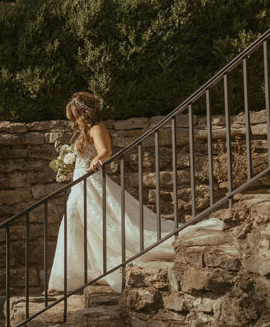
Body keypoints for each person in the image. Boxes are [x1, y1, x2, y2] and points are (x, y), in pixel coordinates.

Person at [47, 91, 224, 295]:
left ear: (84, 112)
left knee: (88, 223)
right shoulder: (84, 130)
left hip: (89, 182)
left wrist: (97, 160)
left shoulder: (97, 128)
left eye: (76, 114)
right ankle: (65, 278)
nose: (75, 119)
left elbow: (105, 151)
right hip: (79, 183)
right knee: (75, 225)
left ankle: (62, 280)